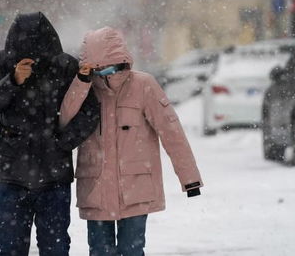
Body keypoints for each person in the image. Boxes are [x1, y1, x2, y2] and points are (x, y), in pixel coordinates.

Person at [60, 27, 203, 256]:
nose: (103, 73)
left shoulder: (143, 85)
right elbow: (64, 120)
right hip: (95, 188)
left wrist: (190, 179)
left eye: (107, 67)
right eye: (97, 68)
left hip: (135, 186)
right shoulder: (84, 87)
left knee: (132, 250)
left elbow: (171, 132)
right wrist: (81, 82)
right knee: (99, 252)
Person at [0, 12, 99, 256]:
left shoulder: (64, 65)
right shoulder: (0, 63)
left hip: (54, 177)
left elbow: (90, 109)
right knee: (11, 249)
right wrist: (12, 80)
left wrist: (64, 142)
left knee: (56, 249)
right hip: (11, 177)